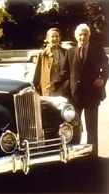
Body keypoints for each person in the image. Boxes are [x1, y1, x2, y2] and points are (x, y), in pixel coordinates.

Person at [48, 23, 109, 157]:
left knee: (91, 128)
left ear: (89, 36)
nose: (83, 37)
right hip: (75, 96)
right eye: (80, 34)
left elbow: (106, 67)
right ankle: (73, 154)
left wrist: (102, 79)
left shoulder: (97, 50)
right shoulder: (70, 52)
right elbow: (65, 72)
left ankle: (93, 156)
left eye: (85, 34)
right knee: (73, 127)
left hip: (92, 95)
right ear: (76, 37)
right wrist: (54, 85)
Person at [33, 28, 68, 96]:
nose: (55, 38)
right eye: (52, 36)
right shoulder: (43, 55)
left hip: (63, 87)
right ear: (48, 39)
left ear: (60, 38)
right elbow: (37, 74)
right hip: (49, 88)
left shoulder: (66, 52)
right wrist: (36, 89)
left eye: (57, 36)